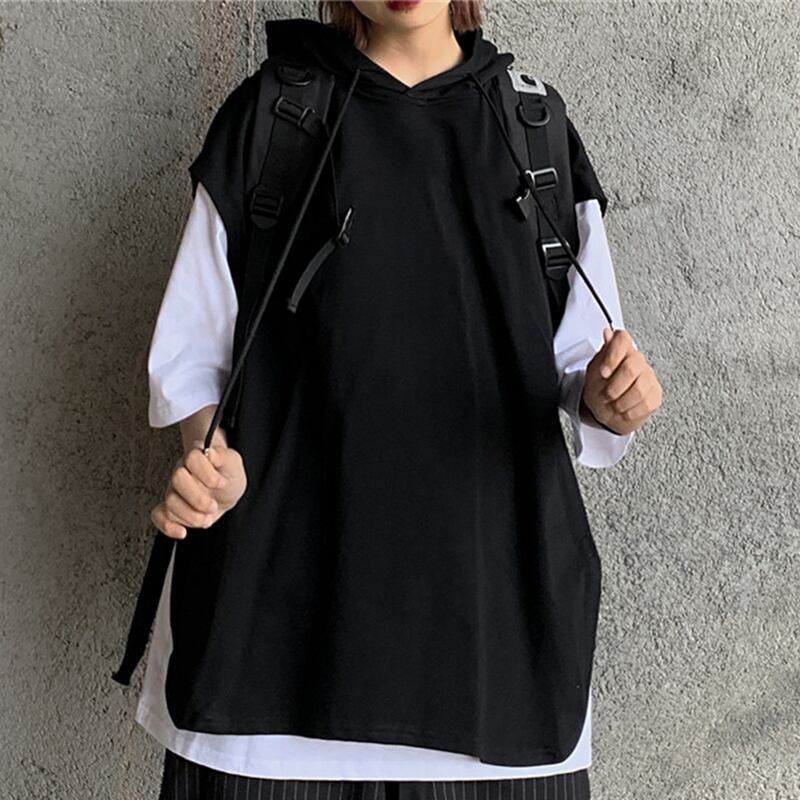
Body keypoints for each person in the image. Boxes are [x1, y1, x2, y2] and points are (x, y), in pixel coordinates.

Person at [132, 1, 663, 798]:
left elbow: (584, 364)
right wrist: (211, 459)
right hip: (270, 675)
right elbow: (193, 354)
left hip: (495, 672)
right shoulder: (275, 116)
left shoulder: (533, 128)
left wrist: (612, 398)